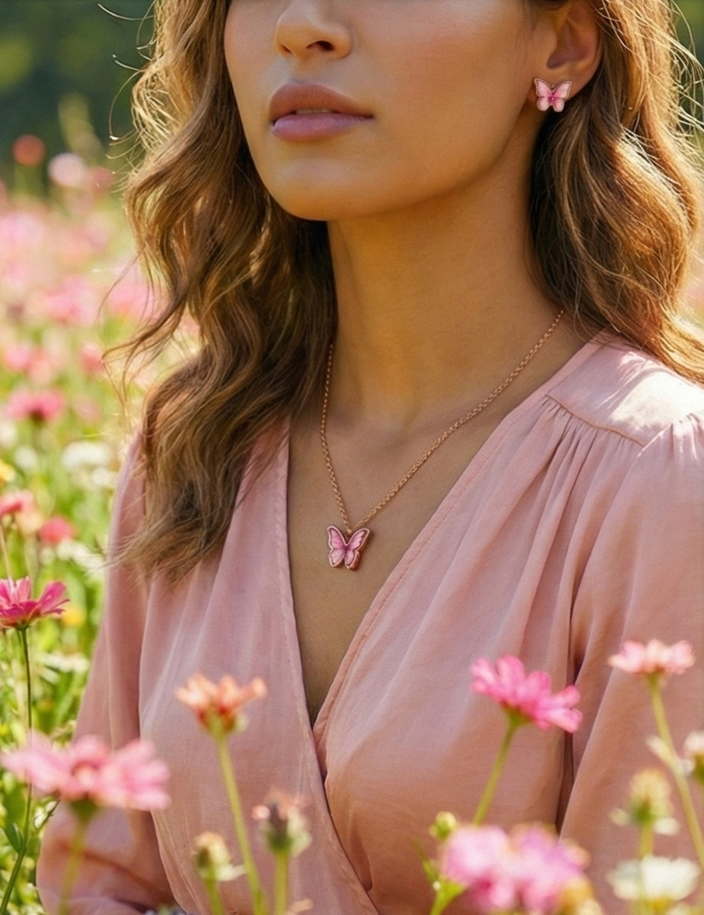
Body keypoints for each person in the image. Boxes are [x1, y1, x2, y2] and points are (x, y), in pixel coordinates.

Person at [38, 0, 704, 913]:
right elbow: (98, 882)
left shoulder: (661, 478)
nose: (301, 25)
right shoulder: (195, 450)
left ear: (562, 44)